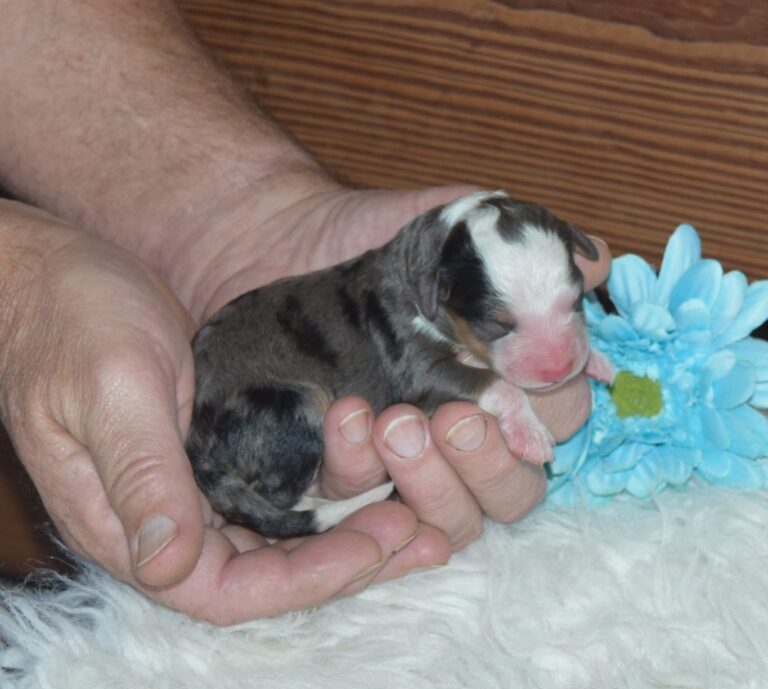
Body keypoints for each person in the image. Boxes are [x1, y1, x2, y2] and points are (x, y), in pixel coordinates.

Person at [0, 0, 611, 625]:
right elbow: (425, 375)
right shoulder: (412, 307)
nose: (554, 354)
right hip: (255, 422)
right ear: (437, 292)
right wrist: (19, 286)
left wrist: (243, 221)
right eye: (497, 326)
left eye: (570, 306)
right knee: (333, 422)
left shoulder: (435, 272)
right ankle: (291, 500)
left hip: (261, 364)